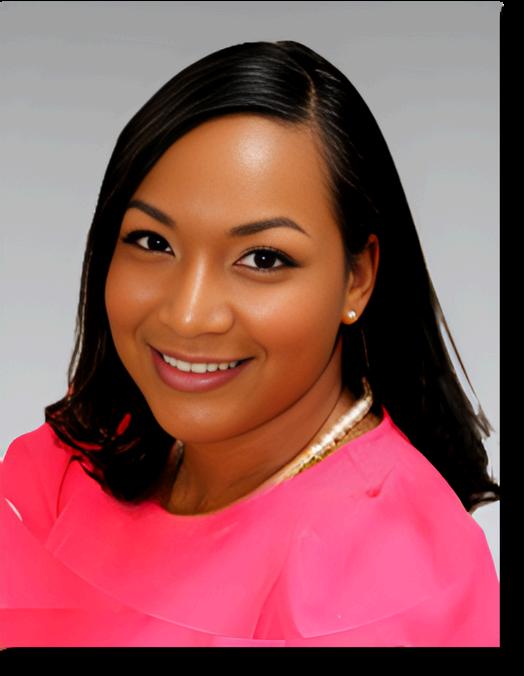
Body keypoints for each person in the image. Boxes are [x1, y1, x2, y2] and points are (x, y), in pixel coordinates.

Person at [0, 40, 499, 647]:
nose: (188, 315)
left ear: (358, 277)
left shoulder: (390, 587)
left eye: (263, 258)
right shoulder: (86, 453)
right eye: (154, 242)